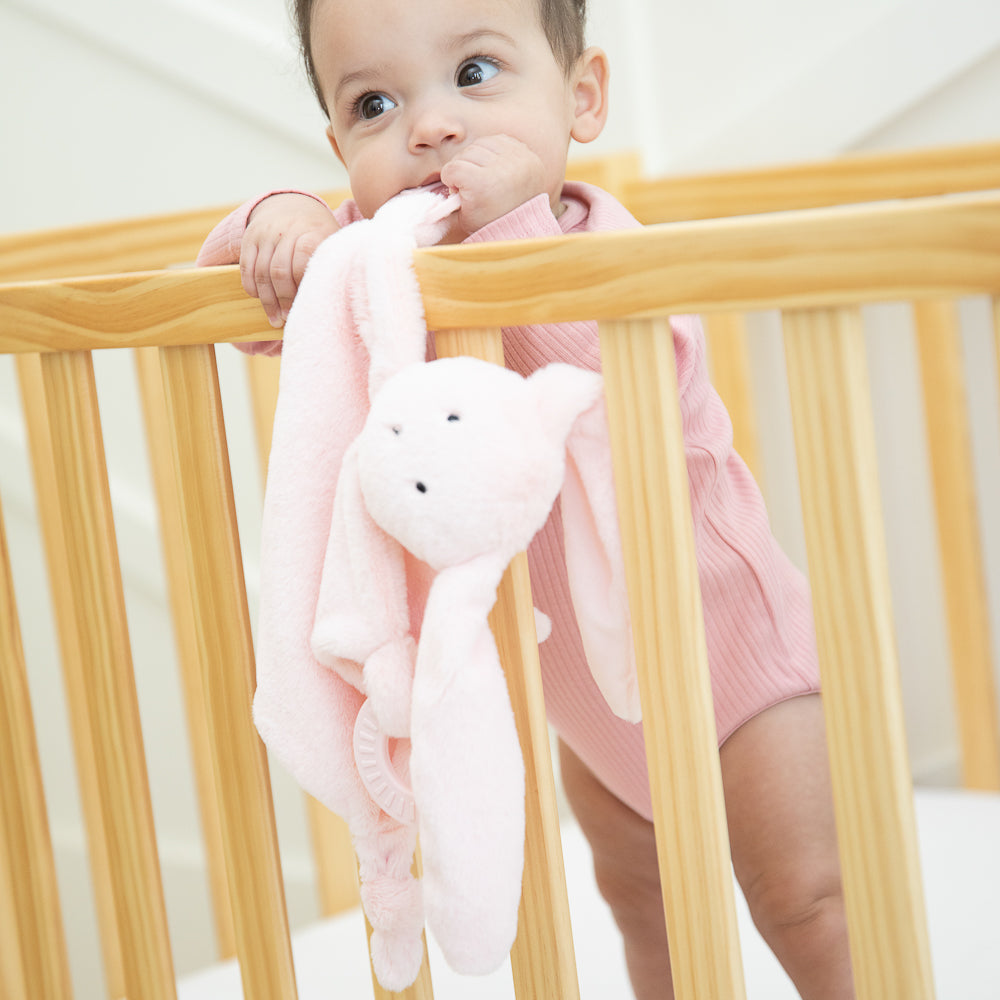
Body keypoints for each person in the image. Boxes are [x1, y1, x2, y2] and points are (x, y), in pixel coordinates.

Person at [198, 0, 855, 996]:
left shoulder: (604, 243)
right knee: (642, 903)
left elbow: (611, 383)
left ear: (580, 97)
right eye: (375, 103)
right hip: (584, 695)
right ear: (341, 145)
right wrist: (275, 225)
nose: (429, 126)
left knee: (806, 897)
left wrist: (510, 230)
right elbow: (244, 311)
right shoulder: (379, 269)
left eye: (473, 76)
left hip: (733, 661)